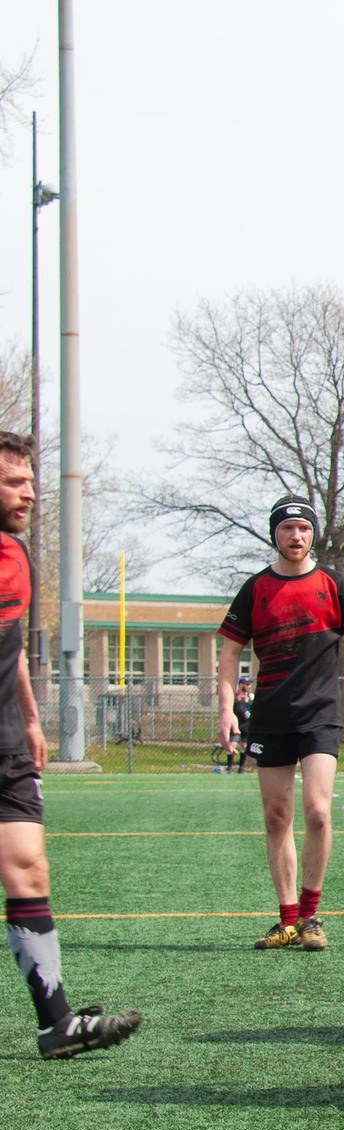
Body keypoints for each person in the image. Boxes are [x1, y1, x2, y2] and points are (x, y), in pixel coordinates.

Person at [0, 431, 143, 1059]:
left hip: (5, 739)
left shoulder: (19, 555)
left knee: (29, 868)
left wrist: (31, 719)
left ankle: (56, 1024)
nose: (29, 492)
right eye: (13, 482)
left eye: (30, 481)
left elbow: (13, 651)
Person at [217, 495, 344, 952]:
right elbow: (230, 652)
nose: (296, 536)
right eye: (287, 529)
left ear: (312, 534)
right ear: (275, 534)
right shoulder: (255, 589)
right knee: (276, 817)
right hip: (270, 717)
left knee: (319, 812)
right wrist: (227, 709)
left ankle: (311, 916)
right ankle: (287, 919)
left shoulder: (334, 584)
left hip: (320, 715)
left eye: (304, 529)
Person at [230, 679, 254, 773]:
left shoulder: (251, 697)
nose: (249, 686)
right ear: (241, 685)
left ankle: (241, 768)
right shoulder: (235, 696)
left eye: (249, 684)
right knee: (232, 744)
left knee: (244, 746)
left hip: (246, 725)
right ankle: (230, 767)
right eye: (247, 684)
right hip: (236, 724)